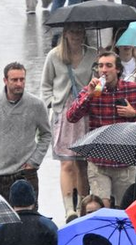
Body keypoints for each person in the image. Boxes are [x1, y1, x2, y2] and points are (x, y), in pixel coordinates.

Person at [65, 49, 136, 205]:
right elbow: (71, 117)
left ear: (118, 69)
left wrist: (134, 112)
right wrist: (89, 96)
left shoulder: (133, 89)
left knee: (125, 210)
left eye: (108, 66)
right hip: (99, 161)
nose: (104, 70)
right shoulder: (91, 90)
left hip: (124, 161)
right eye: (100, 66)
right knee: (103, 208)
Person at [0, 62, 53, 202]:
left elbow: (46, 134)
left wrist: (35, 161)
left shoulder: (36, 105)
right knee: (6, 219)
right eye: (14, 80)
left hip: (27, 172)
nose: (19, 83)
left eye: (22, 79)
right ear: (5, 80)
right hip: (0, 173)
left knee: (29, 217)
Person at [41, 24, 97, 220]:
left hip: (85, 113)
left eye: (80, 31)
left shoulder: (92, 55)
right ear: (65, 34)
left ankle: (83, 205)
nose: (76, 35)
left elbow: (98, 82)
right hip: (63, 113)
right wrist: (52, 104)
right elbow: (46, 85)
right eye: (73, 31)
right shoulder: (54, 56)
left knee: (82, 164)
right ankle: (69, 210)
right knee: (66, 163)